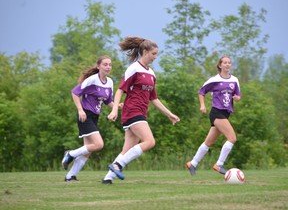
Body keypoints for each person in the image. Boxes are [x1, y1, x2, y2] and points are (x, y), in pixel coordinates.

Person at [102, 36, 180, 184]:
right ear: (145, 51)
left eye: (156, 54)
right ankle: (117, 165)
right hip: (132, 111)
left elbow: (154, 99)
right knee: (150, 141)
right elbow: (120, 90)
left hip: (141, 113)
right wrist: (114, 110)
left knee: (127, 149)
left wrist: (169, 114)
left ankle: (108, 178)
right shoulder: (134, 68)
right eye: (153, 54)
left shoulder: (151, 73)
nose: (155, 57)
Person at [61, 55, 115, 182]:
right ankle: (70, 154)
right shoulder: (92, 80)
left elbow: (108, 101)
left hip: (95, 117)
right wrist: (80, 110)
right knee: (98, 144)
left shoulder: (110, 82)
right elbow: (74, 92)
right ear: (98, 66)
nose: (108, 67)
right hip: (85, 115)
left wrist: (117, 106)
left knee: (87, 151)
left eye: (110, 65)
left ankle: (70, 176)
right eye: (105, 64)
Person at [186, 55, 241, 176]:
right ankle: (219, 164)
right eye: (225, 62)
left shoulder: (235, 80)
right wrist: (202, 105)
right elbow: (201, 92)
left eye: (229, 63)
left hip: (226, 114)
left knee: (208, 143)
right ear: (220, 65)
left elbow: (238, 96)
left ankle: (193, 163)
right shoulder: (214, 80)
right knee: (232, 138)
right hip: (217, 112)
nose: (227, 64)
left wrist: (237, 98)